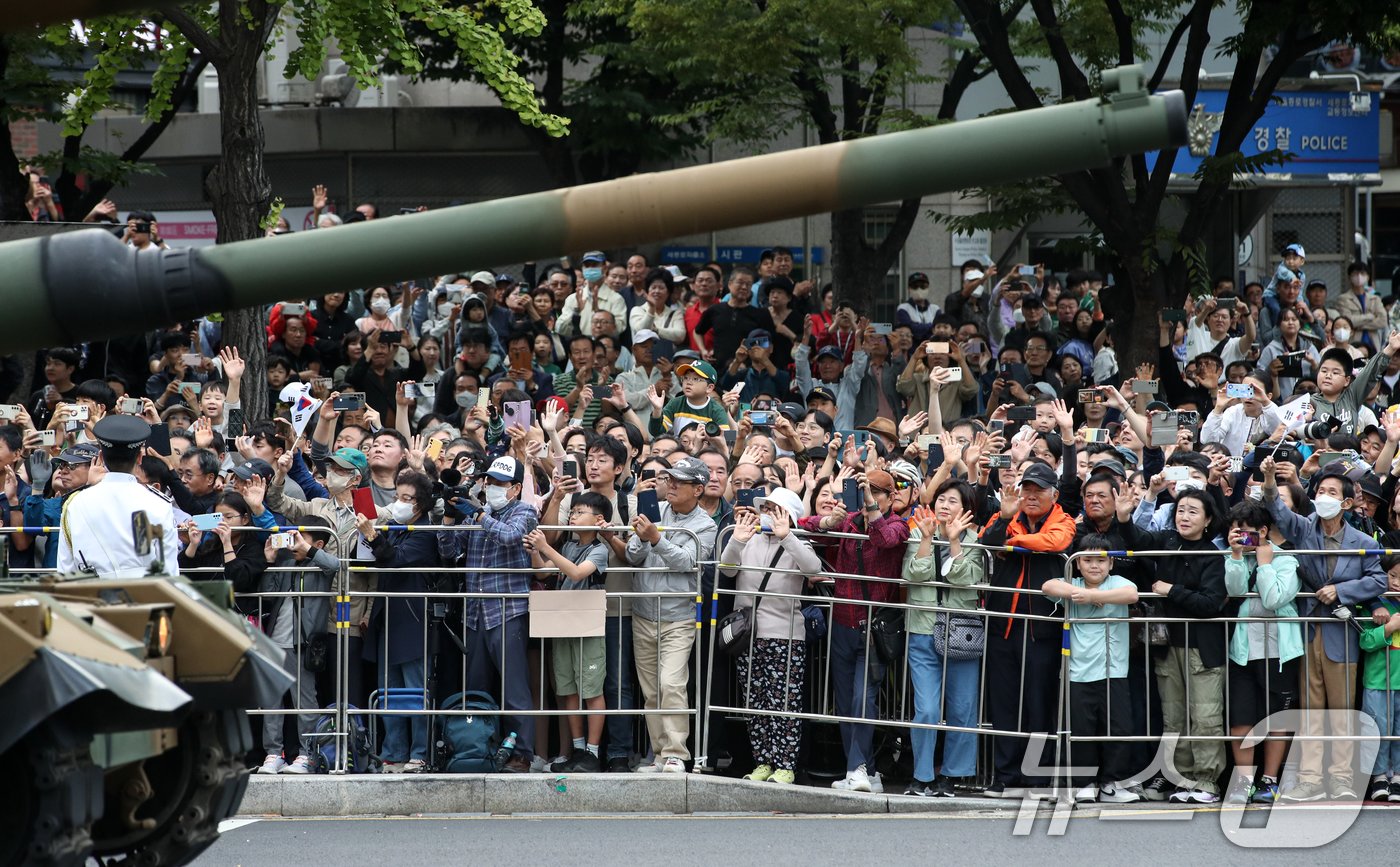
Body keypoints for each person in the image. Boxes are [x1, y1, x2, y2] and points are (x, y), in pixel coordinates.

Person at [1260, 459, 1388, 802]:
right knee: (1311, 711)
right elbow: (1276, 508)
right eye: (1320, 491)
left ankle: (1342, 779)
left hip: (1341, 633)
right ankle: (1310, 779)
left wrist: (1341, 591)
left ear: (1346, 503)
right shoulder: (1304, 528)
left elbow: (1378, 580)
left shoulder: (1363, 540)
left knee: (1342, 711)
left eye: (1331, 492)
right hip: (1309, 630)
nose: (1323, 497)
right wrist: (1269, 479)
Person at [803, 466, 913, 792]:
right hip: (842, 622)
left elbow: (885, 539)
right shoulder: (849, 520)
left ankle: (858, 768)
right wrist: (829, 521)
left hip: (875, 627)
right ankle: (867, 771)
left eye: (876, 492)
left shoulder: (898, 524)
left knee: (863, 698)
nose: (869, 498)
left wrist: (871, 506)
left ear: (891, 497)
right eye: (867, 491)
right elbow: (805, 527)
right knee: (845, 702)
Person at [1119, 486, 1230, 803]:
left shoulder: (1212, 555)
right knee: (1174, 715)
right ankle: (1181, 778)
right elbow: (1138, 541)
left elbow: (1210, 603)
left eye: (1193, 511)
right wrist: (1124, 518)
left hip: (1202, 648)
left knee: (1205, 715)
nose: (1185, 516)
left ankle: (1207, 781)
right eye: (1181, 510)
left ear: (1207, 520)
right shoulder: (1167, 541)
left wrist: (1171, 590)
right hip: (1168, 645)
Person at [977, 461, 1076, 797]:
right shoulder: (1008, 514)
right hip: (1003, 625)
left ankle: (1036, 777)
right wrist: (1004, 521)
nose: (1031, 496)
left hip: (1042, 629)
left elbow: (1055, 542)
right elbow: (987, 543)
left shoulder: (1063, 518)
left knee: (1039, 702)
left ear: (1054, 495)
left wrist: (1016, 541)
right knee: (1003, 702)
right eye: (1027, 489)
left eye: (1039, 490)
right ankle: (1004, 774)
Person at [721, 487, 821, 785]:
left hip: (786, 635)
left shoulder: (798, 541)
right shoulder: (748, 537)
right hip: (748, 634)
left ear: (789, 515)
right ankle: (762, 762)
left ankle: (785, 765)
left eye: (775, 509)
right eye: (765, 508)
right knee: (755, 703)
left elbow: (813, 568)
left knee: (784, 704)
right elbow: (727, 570)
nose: (767, 514)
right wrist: (737, 540)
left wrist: (787, 536)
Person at [624, 455, 718, 773]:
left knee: (671, 683)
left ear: (698, 489)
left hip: (679, 616)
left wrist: (655, 537)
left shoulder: (706, 525)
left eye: (680, 481)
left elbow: (687, 562)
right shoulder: (655, 509)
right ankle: (660, 755)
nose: (672, 484)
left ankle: (677, 753)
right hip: (643, 612)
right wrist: (641, 536)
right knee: (651, 690)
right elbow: (633, 556)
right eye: (670, 478)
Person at [1042, 534, 1142, 803]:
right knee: (1081, 730)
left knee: (1119, 728)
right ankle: (1083, 783)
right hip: (1077, 671)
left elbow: (1131, 594)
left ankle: (1111, 784)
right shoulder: (1073, 583)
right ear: (1077, 563)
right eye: (1087, 560)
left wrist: (1094, 595)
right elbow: (1048, 586)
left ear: (1111, 564)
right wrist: (1083, 595)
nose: (1094, 566)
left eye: (1101, 560)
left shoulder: (1117, 582)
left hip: (1114, 669)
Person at [902, 485, 984, 798]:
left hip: (962, 630)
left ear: (966, 509)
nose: (945, 505)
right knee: (926, 709)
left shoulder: (974, 541)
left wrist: (954, 541)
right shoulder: (917, 532)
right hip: (923, 628)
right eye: (941, 499)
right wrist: (926, 539)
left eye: (953, 501)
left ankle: (952, 774)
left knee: (963, 706)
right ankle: (921, 775)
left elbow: (965, 578)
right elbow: (913, 574)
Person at [359, 471, 444, 773]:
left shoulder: (424, 532)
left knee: (416, 690)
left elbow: (395, 559)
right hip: (387, 617)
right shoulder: (395, 527)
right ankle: (393, 752)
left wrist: (373, 536)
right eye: (397, 496)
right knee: (388, 691)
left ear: (421, 504)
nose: (400, 503)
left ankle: (420, 753)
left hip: (414, 619)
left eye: (407, 498)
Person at [1220, 501, 1302, 805]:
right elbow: (1235, 590)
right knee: (1241, 718)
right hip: (1243, 650)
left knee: (1276, 719)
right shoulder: (1234, 556)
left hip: (1279, 650)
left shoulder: (1285, 560)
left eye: (1246, 532)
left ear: (1263, 531)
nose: (1240, 537)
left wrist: (1265, 564)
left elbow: (1273, 598)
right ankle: (1243, 782)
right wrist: (1236, 556)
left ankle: (1269, 780)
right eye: (1235, 531)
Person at [526, 491, 613, 773]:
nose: (573, 517)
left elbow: (577, 573)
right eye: (572, 512)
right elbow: (543, 573)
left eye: (580, 512)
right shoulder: (568, 546)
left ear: (599, 519)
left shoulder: (600, 549)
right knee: (568, 688)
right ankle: (577, 749)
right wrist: (535, 552)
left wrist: (546, 547)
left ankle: (593, 752)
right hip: (564, 624)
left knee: (592, 688)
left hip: (588, 625)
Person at [255, 522, 338, 775]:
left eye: (302, 539)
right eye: (294, 539)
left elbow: (335, 565)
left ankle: (307, 754)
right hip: (275, 641)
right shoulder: (287, 564)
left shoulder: (320, 567)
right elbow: (268, 594)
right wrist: (269, 562)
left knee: (304, 700)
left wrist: (309, 551)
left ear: (318, 544)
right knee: (272, 701)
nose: (295, 544)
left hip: (304, 644)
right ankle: (273, 754)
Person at [58, 415, 180, 577]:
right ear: (139, 458)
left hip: (91, 591)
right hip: (146, 591)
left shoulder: (75, 504)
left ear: (101, 457)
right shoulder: (159, 503)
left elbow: (65, 569)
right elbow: (168, 570)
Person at [1361, 555, 1400, 803]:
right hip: (1378, 681)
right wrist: (1388, 627)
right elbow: (1365, 641)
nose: (1396, 583)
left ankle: (1397, 777)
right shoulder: (1375, 605)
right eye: (1392, 575)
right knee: (1377, 730)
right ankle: (1378, 777)